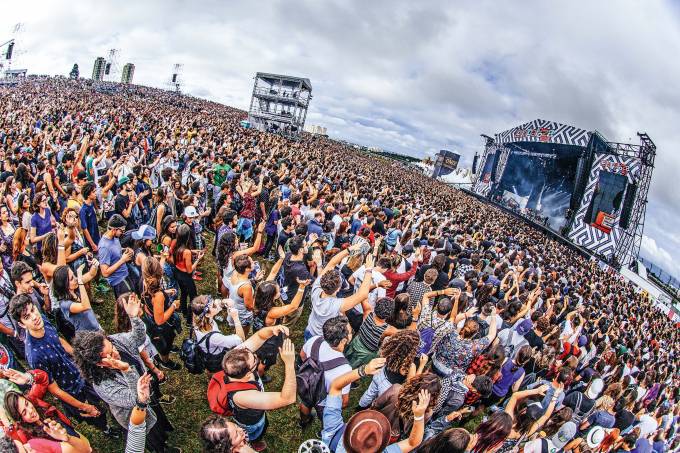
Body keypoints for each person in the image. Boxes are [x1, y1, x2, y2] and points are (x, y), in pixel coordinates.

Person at [70, 293, 177, 453]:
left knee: (158, 420)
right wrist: (126, 369)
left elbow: (138, 338)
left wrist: (134, 318)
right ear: (99, 364)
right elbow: (136, 399)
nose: (116, 352)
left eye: (112, 347)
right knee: (152, 436)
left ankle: (164, 435)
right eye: (110, 355)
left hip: (148, 394)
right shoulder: (103, 385)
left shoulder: (114, 341)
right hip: (136, 413)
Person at [8, 294, 111, 433]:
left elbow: (58, 339)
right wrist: (84, 406)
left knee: (103, 398)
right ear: (21, 324)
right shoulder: (35, 355)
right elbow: (55, 390)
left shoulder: (42, 320)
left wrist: (78, 356)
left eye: (33, 310)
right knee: (96, 415)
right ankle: (106, 429)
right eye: (27, 317)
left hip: (80, 372)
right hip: (73, 391)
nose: (34, 317)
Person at [321, 357, 430, 453]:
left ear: (351, 425)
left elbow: (335, 386)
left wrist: (363, 370)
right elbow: (412, 443)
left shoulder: (332, 430)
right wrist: (419, 415)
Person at [210, 335, 296, 452]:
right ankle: (254, 442)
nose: (255, 356)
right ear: (247, 374)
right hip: (251, 421)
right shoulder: (243, 396)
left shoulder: (235, 362)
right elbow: (288, 398)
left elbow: (259, 337)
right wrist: (289, 363)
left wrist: (272, 329)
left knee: (262, 426)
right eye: (254, 360)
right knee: (254, 432)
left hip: (254, 412)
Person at [299, 315, 353, 427]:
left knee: (305, 403)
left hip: (306, 384)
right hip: (324, 399)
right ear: (343, 340)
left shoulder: (314, 340)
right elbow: (344, 401)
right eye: (350, 332)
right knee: (325, 417)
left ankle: (304, 421)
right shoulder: (345, 369)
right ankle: (323, 429)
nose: (351, 334)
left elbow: (302, 355)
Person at [141, 256, 181, 370]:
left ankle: (168, 348)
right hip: (161, 326)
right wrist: (174, 306)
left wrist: (166, 291)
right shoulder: (158, 296)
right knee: (164, 344)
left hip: (151, 315)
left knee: (168, 340)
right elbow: (159, 320)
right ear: (160, 272)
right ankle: (165, 361)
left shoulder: (144, 281)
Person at [171, 223, 204, 322]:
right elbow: (190, 270)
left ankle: (184, 311)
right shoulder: (186, 252)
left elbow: (181, 251)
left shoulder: (175, 242)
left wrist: (193, 251)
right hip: (186, 276)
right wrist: (198, 259)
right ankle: (190, 320)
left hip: (177, 272)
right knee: (193, 297)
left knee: (184, 293)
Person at [98, 214, 135, 297]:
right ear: (114, 230)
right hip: (118, 281)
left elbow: (115, 250)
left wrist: (124, 249)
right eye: (121, 230)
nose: (123, 233)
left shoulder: (114, 237)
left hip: (124, 274)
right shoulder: (104, 247)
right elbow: (105, 273)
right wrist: (122, 260)